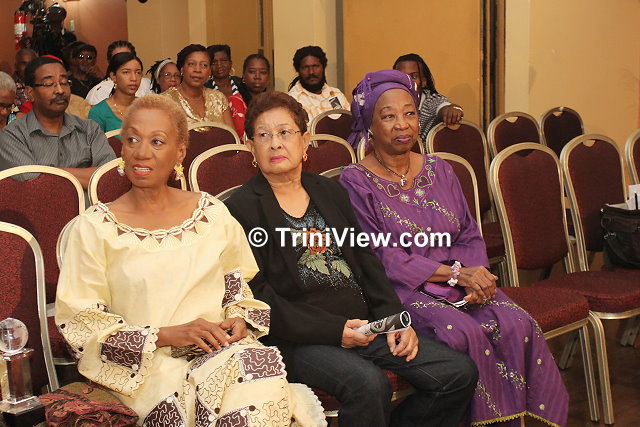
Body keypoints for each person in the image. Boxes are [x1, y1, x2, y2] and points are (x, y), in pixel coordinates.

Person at [55, 94, 325, 426]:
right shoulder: (94, 229)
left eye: (157, 141)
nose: (142, 152)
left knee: (254, 367)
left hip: (223, 356)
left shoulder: (211, 213)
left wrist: (237, 319)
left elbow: (237, 289)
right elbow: (83, 328)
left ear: (180, 152)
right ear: (121, 148)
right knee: (257, 385)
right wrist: (169, 335)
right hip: (147, 374)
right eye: (133, 140)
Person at [226, 91, 478, 427]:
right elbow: (259, 296)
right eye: (264, 135)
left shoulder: (329, 191)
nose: (275, 143)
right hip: (299, 337)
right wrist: (334, 330)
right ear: (251, 146)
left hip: (364, 323)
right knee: (368, 384)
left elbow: (366, 260)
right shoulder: (240, 209)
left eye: (285, 132)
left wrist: (394, 319)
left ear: (305, 140)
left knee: (457, 372)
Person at [339, 70, 569, 426]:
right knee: (462, 333)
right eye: (388, 116)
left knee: (517, 323)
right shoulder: (356, 181)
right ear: (370, 124)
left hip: (458, 280)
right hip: (401, 290)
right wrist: (457, 275)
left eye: (409, 113)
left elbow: (468, 232)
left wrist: (476, 276)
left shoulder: (440, 168)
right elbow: (380, 255)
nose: (402, 124)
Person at [0, 56, 115, 188]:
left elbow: (110, 176)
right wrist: (88, 175)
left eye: (64, 82)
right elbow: (36, 185)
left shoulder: (89, 129)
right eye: (49, 84)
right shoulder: (12, 136)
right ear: (30, 93)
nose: (60, 90)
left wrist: (49, 172)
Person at [393, 53, 463, 142]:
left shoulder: (430, 101)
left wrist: (451, 110)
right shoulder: (388, 102)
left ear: (423, 81)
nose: (407, 81)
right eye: (401, 77)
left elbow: (442, 106)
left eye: (413, 76)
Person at [163, 44, 234, 130]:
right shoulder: (165, 102)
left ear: (209, 71)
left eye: (204, 65)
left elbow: (231, 136)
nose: (198, 70)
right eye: (191, 64)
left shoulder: (219, 99)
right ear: (181, 69)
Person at [287, 46, 349, 122]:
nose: (311, 72)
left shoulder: (335, 94)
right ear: (298, 70)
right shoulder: (293, 100)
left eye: (315, 66)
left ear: (323, 67)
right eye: (305, 67)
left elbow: (351, 123)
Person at [88, 52, 143, 133]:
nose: (134, 78)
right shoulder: (98, 112)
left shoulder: (146, 108)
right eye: (126, 72)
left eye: (138, 73)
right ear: (113, 76)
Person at [85, 40, 152, 105]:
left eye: (127, 57)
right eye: (118, 58)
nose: (133, 78)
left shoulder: (146, 84)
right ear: (109, 64)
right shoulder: (99, 91)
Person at [205, 44, 247, 137]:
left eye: (224, 60)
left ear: (230, 63)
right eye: (214, 62)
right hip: (219, 138)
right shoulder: (205, 89)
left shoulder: (242, 84)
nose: (219, 65)